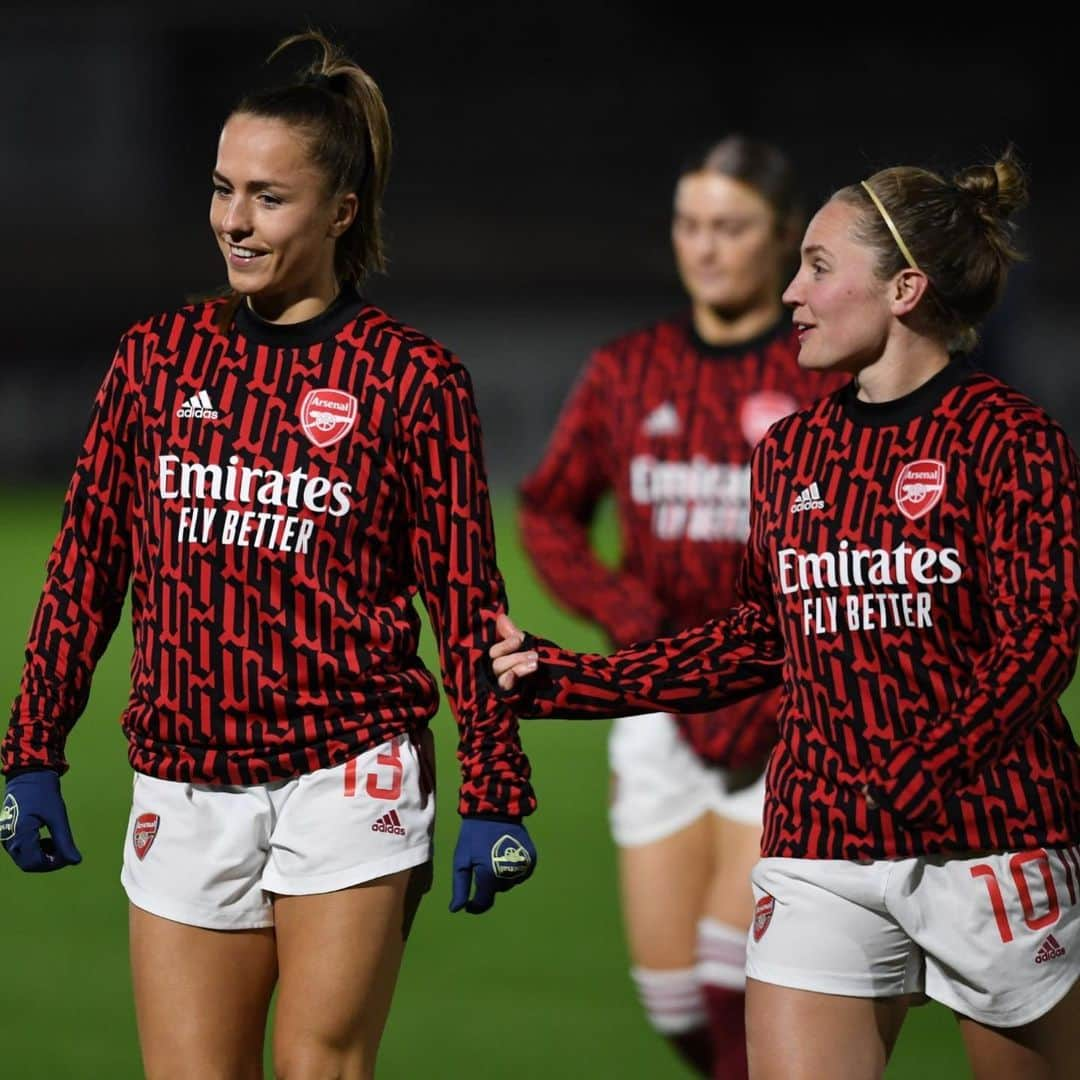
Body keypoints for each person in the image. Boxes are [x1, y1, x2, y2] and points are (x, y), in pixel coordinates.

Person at [0, 30, 537, 1080]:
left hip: (351, 773)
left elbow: (470, 603)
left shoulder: (412, 380)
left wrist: (499, 788)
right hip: (183, 780)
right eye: (221, 189)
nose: (234, 221)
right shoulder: (156, 360)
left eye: (267, 197)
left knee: (318, 1068)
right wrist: (30, 750)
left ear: (342, 211)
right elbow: (84, 568)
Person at [492, 149, 1080, 1080]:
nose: (793, 292)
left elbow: (1040, 640)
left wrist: (925, 768)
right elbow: (763, 638)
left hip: (991, 838)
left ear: (904, 289)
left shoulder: (1008, 436)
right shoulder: (794, 452)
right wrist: (577, 679)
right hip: (822, 834)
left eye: (817, 266)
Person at [517, 136, 845, 1076]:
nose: (705, 247)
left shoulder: (825, 373)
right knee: (675, 1004)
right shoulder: (628, 370)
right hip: (661, 700)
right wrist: (625, 614)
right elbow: (548, 512)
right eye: (690, 225)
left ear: (786, 237)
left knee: (729, 980)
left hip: (792, 708)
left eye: (732, 227)